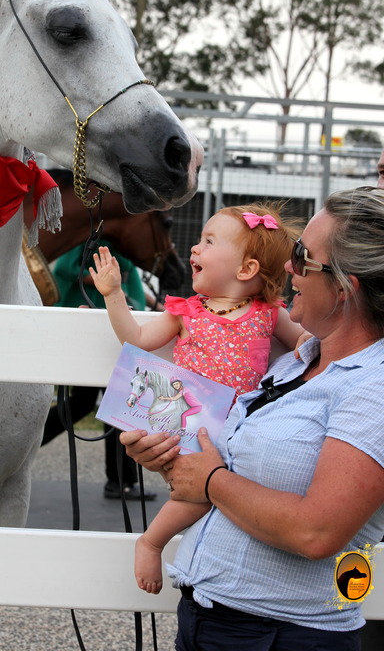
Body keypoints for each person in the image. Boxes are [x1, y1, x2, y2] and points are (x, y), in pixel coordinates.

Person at [120, 186, 384, 650]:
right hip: (214, 618)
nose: (286, 266)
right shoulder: (297, 361)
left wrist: (210, 480)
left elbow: (316, 531)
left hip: (280, 634)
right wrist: (172, 461)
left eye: (303, 256)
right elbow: (237, 465)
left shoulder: (373, 387)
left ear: (345, 288)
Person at [89, 202, 306, 593]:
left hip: (245, 428)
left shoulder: (269, 313)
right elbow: (136, 341)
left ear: (246, 270)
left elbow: (306, 346)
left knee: (243, 491)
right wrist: (113, 294)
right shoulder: (185, 313)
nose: (194, 248)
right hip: (191, 427)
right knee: (196, 494)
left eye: (208, 241)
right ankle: (151, 541)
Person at [41, 240, 157, 501]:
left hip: (114, 330)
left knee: (101, 403)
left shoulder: (121, 246)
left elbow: (128, 282)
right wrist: (108, 290)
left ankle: (120, 481)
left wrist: (152, 306)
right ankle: (121, 481)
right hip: (96, 331)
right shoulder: (89, 242)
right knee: (103, 404)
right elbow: (64, 271)